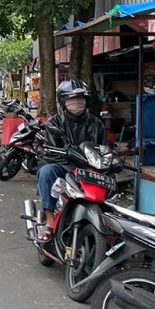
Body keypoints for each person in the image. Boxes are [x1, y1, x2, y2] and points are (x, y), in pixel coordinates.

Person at [35, 78, 106, 242]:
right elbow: (50, 152)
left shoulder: (96, 123)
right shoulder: (55, 122)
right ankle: (50, 220)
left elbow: (103, 148)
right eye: (72, 99)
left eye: (80, 99)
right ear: (63, 101)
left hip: (90, 169)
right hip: (64, 167)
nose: (77, 103)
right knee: (46, 171)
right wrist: (68, 156)